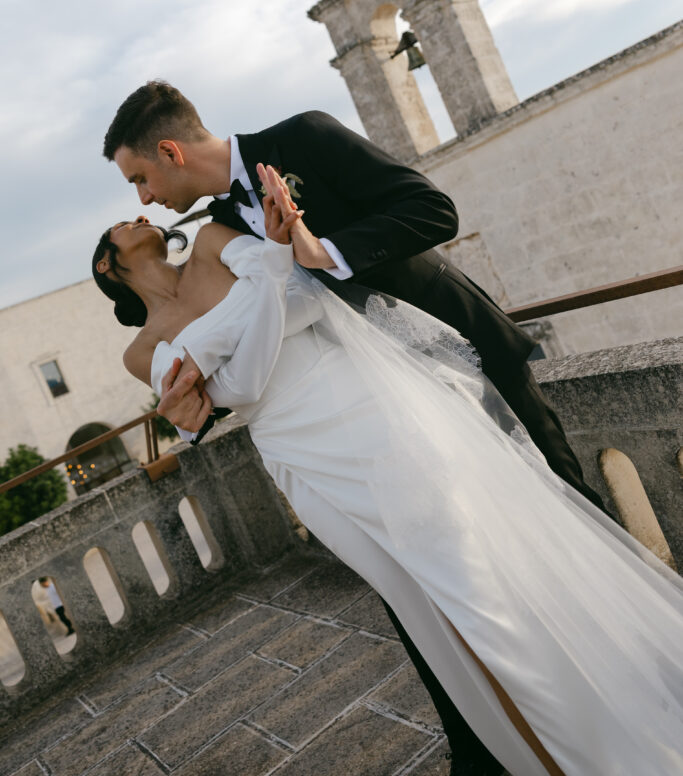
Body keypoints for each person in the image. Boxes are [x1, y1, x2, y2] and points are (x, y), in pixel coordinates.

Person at [91, 178, 683, 776]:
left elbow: (305, 300)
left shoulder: (215, 240)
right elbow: (241, 387)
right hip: (299, 455)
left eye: (138, 193)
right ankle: (534, 755)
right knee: (425, 605)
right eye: (120, 222)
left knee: (473, 583)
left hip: (363, 408)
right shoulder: (139, 351)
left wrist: (209, 349)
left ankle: (594, 746)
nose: (136, 212)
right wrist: (259, 292)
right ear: (107, 264)